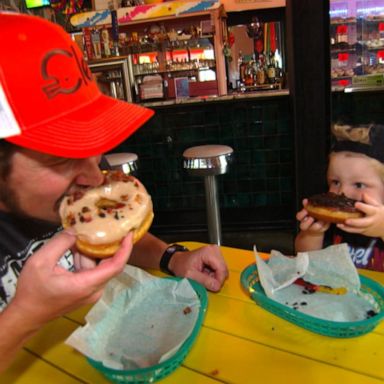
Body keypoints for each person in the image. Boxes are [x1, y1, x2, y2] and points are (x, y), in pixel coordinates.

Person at [0, 12, 228, 372]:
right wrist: (25, 316)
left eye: (91, 145)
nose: (94, 175)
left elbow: (109, 235)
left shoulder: (75, 192)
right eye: (60, 157)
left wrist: (171, 257)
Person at [295, 122, 384, 272]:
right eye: (335, 182)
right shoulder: (332, 222)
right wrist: (311, 234)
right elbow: (306, 261)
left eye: (359, 185)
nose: (343, 192)